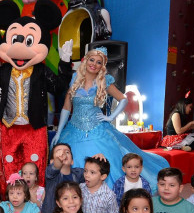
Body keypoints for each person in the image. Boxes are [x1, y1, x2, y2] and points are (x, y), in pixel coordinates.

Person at [51, 47, 168, 191]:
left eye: (99, 62)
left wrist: (111, 117)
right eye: (92, 60)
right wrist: (59, 132)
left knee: (106, 162)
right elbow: (66, 107)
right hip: (74, 129)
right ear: (86, 60)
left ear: (102, 66)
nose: (94, 64)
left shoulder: (104, 81)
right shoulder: (75, 78)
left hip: (97, 129)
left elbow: (123, 99)